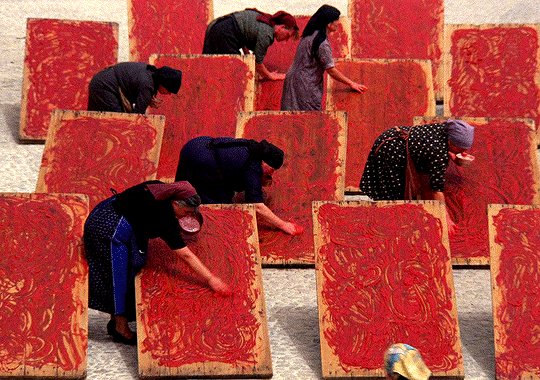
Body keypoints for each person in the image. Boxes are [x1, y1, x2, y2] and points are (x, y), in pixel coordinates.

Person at [83, 180, 231, 345]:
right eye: (186, 211)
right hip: (108, 227)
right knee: (119, 276)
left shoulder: (161, 190)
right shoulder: (162, 214)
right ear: (175, 203)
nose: (186, 216)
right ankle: (121, 330)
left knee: (127, 270)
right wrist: (211, 279)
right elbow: (185, 255)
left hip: (111, 212)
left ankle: (117, 321)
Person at [359, 119, 475, 235]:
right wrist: (446, 218)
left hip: (393, 137)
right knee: (393, 198)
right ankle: (384, 230)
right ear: (450, 142)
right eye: (460, 149)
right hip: (391, 150)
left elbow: (439, 145)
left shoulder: (443, 131)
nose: (464, 152)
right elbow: (436, 191)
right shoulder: (438, 152)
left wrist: (454, 156)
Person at [175, 136, 303, 235]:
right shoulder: (254, 168)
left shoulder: (251, 147)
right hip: (202, 162)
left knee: (180, 191)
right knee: (221, 210)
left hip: (194, 145)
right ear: (264, 162)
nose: (272, 173)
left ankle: (175, 209)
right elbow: (257, 206)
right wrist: (284, 225)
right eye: (272, 169)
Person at [280, 4, 367, 111]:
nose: (338, 23)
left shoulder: (309, 34)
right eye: (336, 20)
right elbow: (331, 70)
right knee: (311, 118)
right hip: (305, 85)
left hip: (293, 81)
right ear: (329, 23)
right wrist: (351, 83)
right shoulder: (321, 42)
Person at [202, 9, 299, 81]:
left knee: (211, 69)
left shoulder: (265, 20)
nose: (285, 41)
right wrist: (270, 75)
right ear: (281, 27)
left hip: (217, 27)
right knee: (234, 72)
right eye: (287, 36)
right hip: (225, 33)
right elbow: (258, 62)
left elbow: (244, 31)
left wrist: (246, 52)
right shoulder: (267, 33)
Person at [87, 62, 182, 114]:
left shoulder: (150, 72)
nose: (169, 94)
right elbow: (138, 115)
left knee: (94, 120)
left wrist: (147, 99)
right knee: (118, 120)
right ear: (163, 84)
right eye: (169, 90)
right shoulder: (148, 86)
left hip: (100, 81)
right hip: (105, 87)